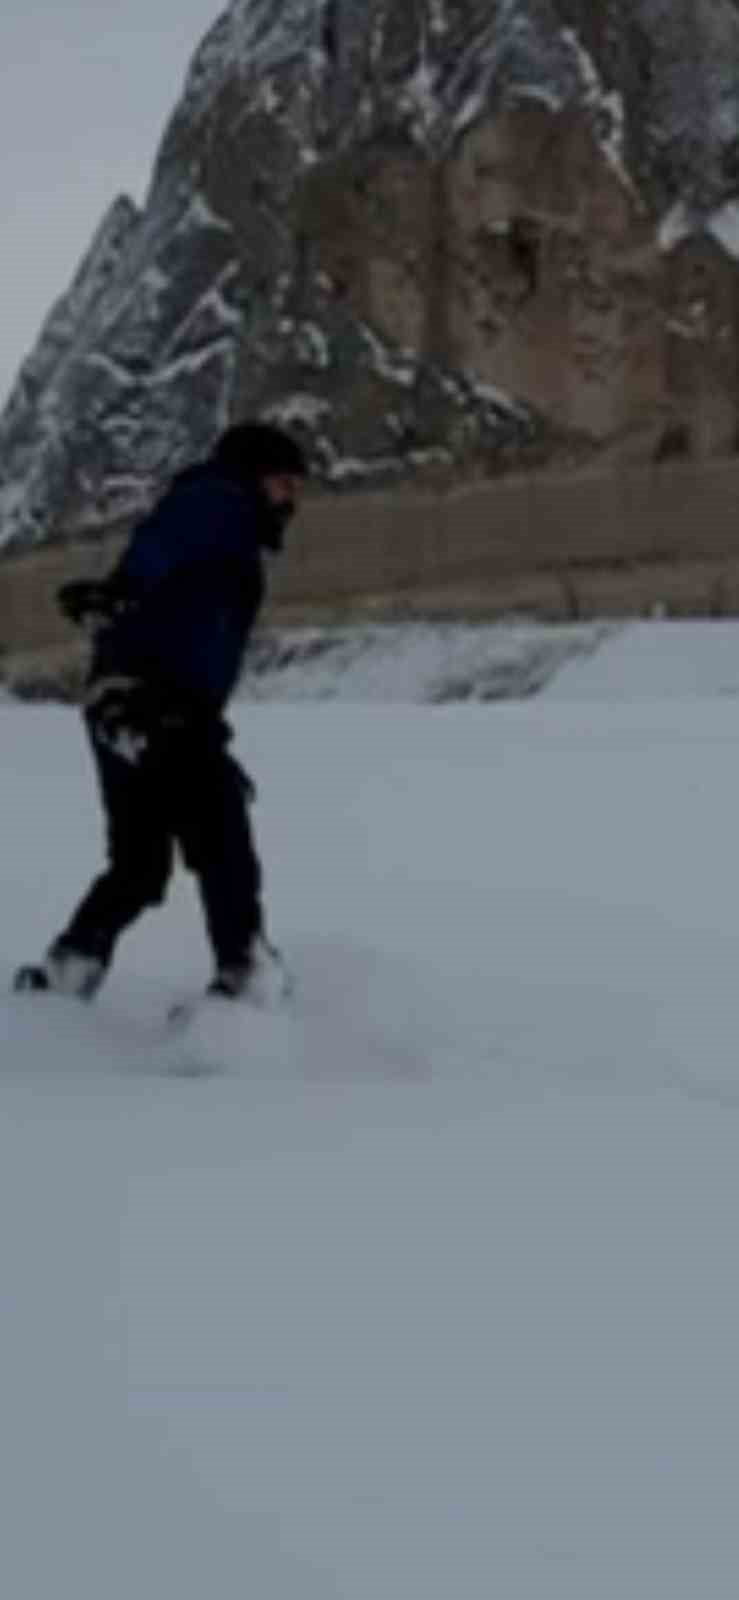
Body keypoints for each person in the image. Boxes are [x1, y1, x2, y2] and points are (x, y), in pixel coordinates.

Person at [14, 421, 307, 1004]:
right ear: (254, 475)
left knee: (140, 864)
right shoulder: (220, 500)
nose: (291, 499)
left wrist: (121, 600)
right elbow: (163, 543)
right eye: (283, 483)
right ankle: (244, 972)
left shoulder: (226, 517)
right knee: (220, 833)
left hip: (124, 706)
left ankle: (66, 973)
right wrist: (121, 589)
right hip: (156, 703)